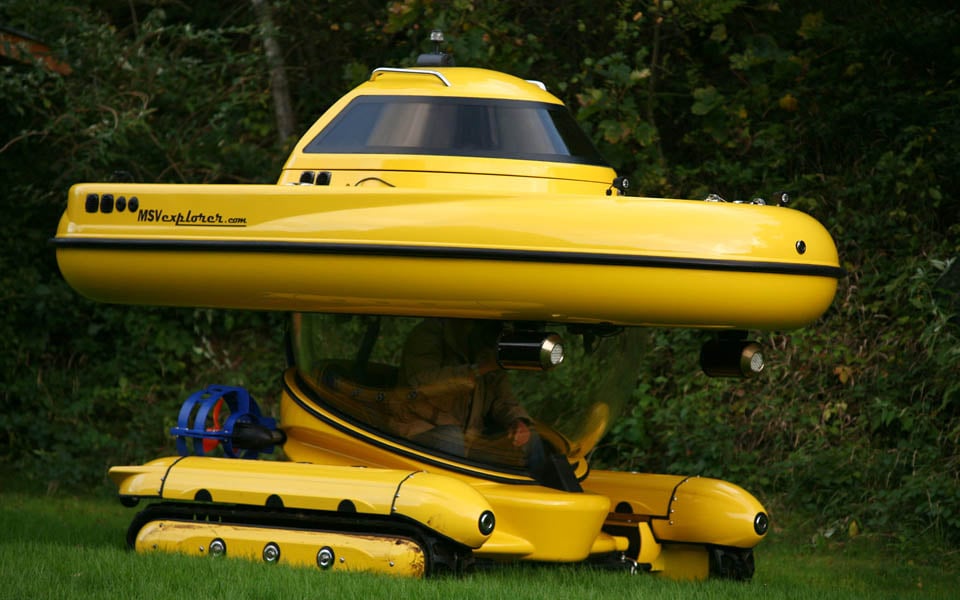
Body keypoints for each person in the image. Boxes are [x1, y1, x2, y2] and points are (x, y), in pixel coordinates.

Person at [397, 318, 538, 464]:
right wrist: (479, 369)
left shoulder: (487, 350)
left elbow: (502, 399)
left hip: (469, 441)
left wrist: (518, 421)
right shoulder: (432, 332)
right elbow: (421, 382)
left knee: (532, 438)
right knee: (450, 436)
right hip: (418, 431)